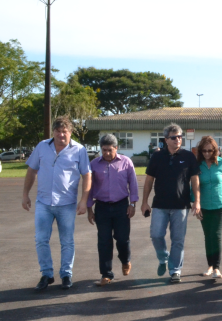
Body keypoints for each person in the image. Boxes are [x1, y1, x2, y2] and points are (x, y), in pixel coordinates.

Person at [22, 116, 92, 291]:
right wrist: (25, 194)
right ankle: (46, 274)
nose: (61, 135)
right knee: (40, 239)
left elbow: (87, 175)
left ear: (70, 132)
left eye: (65, 131)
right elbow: (32, 170)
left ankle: (66, 274)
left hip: (67, 204)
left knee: (67, 241)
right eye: (58, 131)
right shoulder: (42, 146)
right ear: (53, 132)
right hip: (43, 202)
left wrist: (84, 200)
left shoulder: (79, 150)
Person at [140, 123, 200, 283]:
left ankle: (175, 270)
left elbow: (195, 180)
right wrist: (144, 202)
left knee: (178, 240)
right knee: (156, 235)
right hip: (160, 205)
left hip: (181, 205)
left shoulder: (188, 157)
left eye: (180, 137)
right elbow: (148, 181)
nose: (178, 140)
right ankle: (163, 258)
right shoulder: (157, 157)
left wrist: (197, 201)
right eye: (174, 137)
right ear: (166, 140)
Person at [86, 134, 139, 286]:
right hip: (102, 207)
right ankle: (106, 274)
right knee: (104, 242)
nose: (107, 153)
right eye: (104, 150)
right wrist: (90, 210)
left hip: (122, 206)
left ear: (116, 148)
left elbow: (133, 184)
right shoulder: (94, 164)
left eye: (110, 150)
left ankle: (125, 260)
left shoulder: (126, 162)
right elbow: (89, 188)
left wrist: (133, 204)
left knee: (122, 239)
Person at [193, 135, 222, 279]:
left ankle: (217, 267)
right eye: (204, 151)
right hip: (203, 205)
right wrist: (194, 203)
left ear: (215, 150)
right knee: (207, 236)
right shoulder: (197, 165)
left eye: (210, 151)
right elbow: (194, 185)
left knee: (216, 235)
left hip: (220, 204)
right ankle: (210, 265)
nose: (207, 153)